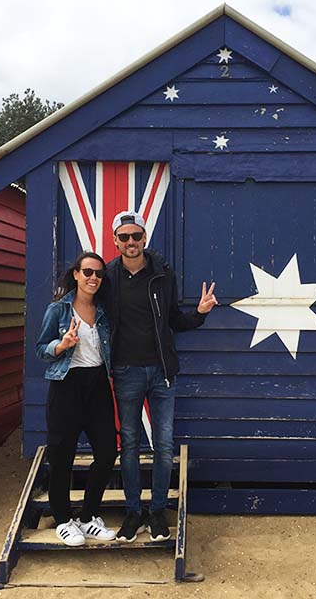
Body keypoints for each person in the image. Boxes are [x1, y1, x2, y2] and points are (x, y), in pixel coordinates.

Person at [105, 211, 217, 543]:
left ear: (144, 238)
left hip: (162, 372)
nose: (130, 242)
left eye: (136, 236)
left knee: (164, 445)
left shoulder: (163, 274)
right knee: (129, 444)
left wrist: (199, 314)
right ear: (115, 241)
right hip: (125, 371)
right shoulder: (107, 277)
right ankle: (132, 512)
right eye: (124, 237)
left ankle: (156, 512)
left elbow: (173, 320)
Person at [35, 251, 117, 546]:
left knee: (107, 452)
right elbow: (41, 349)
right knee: (61, 456)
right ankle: (63, 520)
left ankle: (88, 517)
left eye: (99, 273)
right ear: (76, 274)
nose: (93, 278)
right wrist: (61, 345)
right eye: (88, 272)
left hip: (97, 385)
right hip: (66, 385)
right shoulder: (58, 310)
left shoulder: (104, 311)